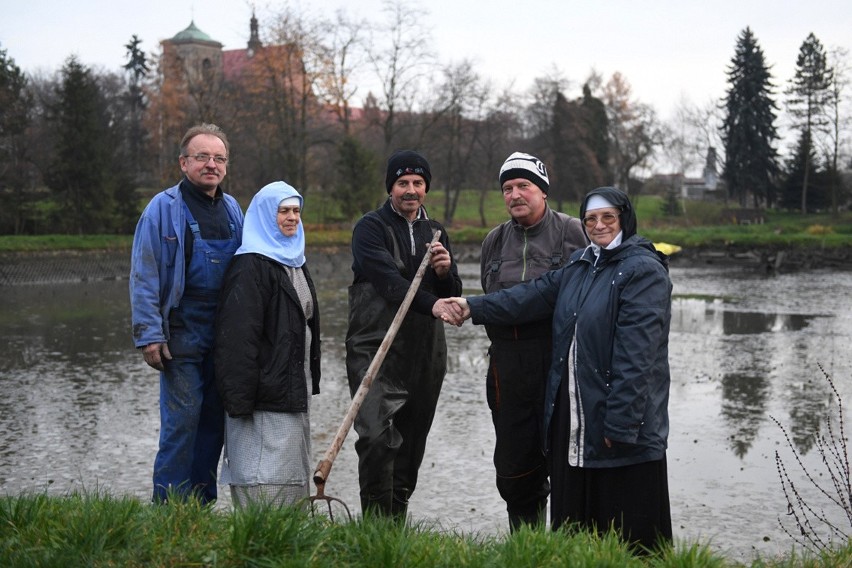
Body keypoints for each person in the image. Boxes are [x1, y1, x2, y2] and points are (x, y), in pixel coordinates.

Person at [439, 186, 673, 552]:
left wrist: (623, 422)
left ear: (624, 219)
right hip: (578, 415)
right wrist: (473, 306)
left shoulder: (642, 271)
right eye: (591, 219)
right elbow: (528, 297)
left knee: (628, 536)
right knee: (576, 536)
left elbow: (637, 357)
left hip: (620, 423)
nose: (598, 226)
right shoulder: (581, 265)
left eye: (607, 217)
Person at [345, 149, 463, 520]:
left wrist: (446, 273)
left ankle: (394, 529)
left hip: (425, 354)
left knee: (411, 445)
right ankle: (375, 526)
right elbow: (391, 285)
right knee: (377, 438)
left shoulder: (436, 230)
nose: (410, 190)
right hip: (374, 347)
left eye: (418, 183)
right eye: (402, 183)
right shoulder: (370, 228)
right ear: (391, 187)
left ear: (426, 187)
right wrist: (434, 304)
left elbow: (451, 294)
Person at [130, 123, 244, 504]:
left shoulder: (232, 209)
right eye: (202, 157)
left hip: (224, 334)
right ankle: (167, 509)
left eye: (219, 158)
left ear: (226, 165)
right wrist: (149, 334)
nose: (211, 164)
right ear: (183, 162)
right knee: (182, 422)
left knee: (214, 422)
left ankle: (200, 506)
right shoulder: (161, 209)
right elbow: (144, 274)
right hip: (180, 332)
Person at [480, 152, 587, 531]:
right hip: (507, 368)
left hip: (561, 363)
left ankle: (572, 549)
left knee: (567, 461)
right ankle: (526, 547)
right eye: (507, 188)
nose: (514, 194)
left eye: (524, 185)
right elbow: (491, 299)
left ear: (543, 190)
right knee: (514, 469)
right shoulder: (493, 241)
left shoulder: (573, 231)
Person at [214, 181, 320, 508]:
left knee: (290, 472)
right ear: (264, 215)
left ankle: (288, 543)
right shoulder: (250, 267)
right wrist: (240, 404)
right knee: (261, 474)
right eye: (283, 211)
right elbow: (236, 340)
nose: (292, 218)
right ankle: (260, 543)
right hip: (261, 398)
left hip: (290, 388)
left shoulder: (294, 260)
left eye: (296, 211)